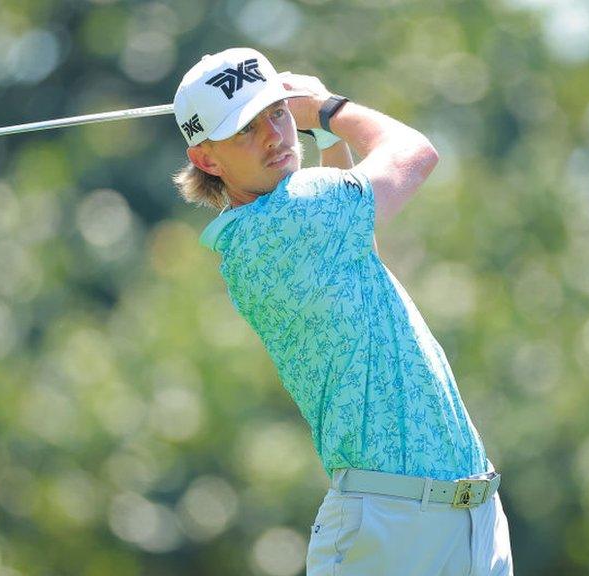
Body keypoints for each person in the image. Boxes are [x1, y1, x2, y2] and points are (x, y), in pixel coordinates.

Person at [172, 47, 513, 575]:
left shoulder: (306, 219)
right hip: (390, 530)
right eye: (246, 129)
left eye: (278, 113)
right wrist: (326, 109)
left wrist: (325, 137)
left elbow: (362, 247)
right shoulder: (284, 219)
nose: (276, 136)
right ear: (207, 160)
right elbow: (415, 153)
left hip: (469, 517)